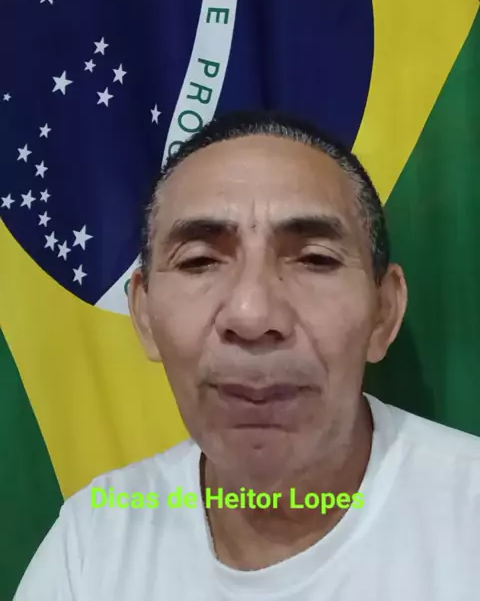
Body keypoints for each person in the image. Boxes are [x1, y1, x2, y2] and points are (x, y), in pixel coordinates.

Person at [14, 109, 480, 600]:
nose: (252, 315)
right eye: (199, 261)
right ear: (144, 315)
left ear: (384, 312)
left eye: (315, 259)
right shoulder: (93, 546)